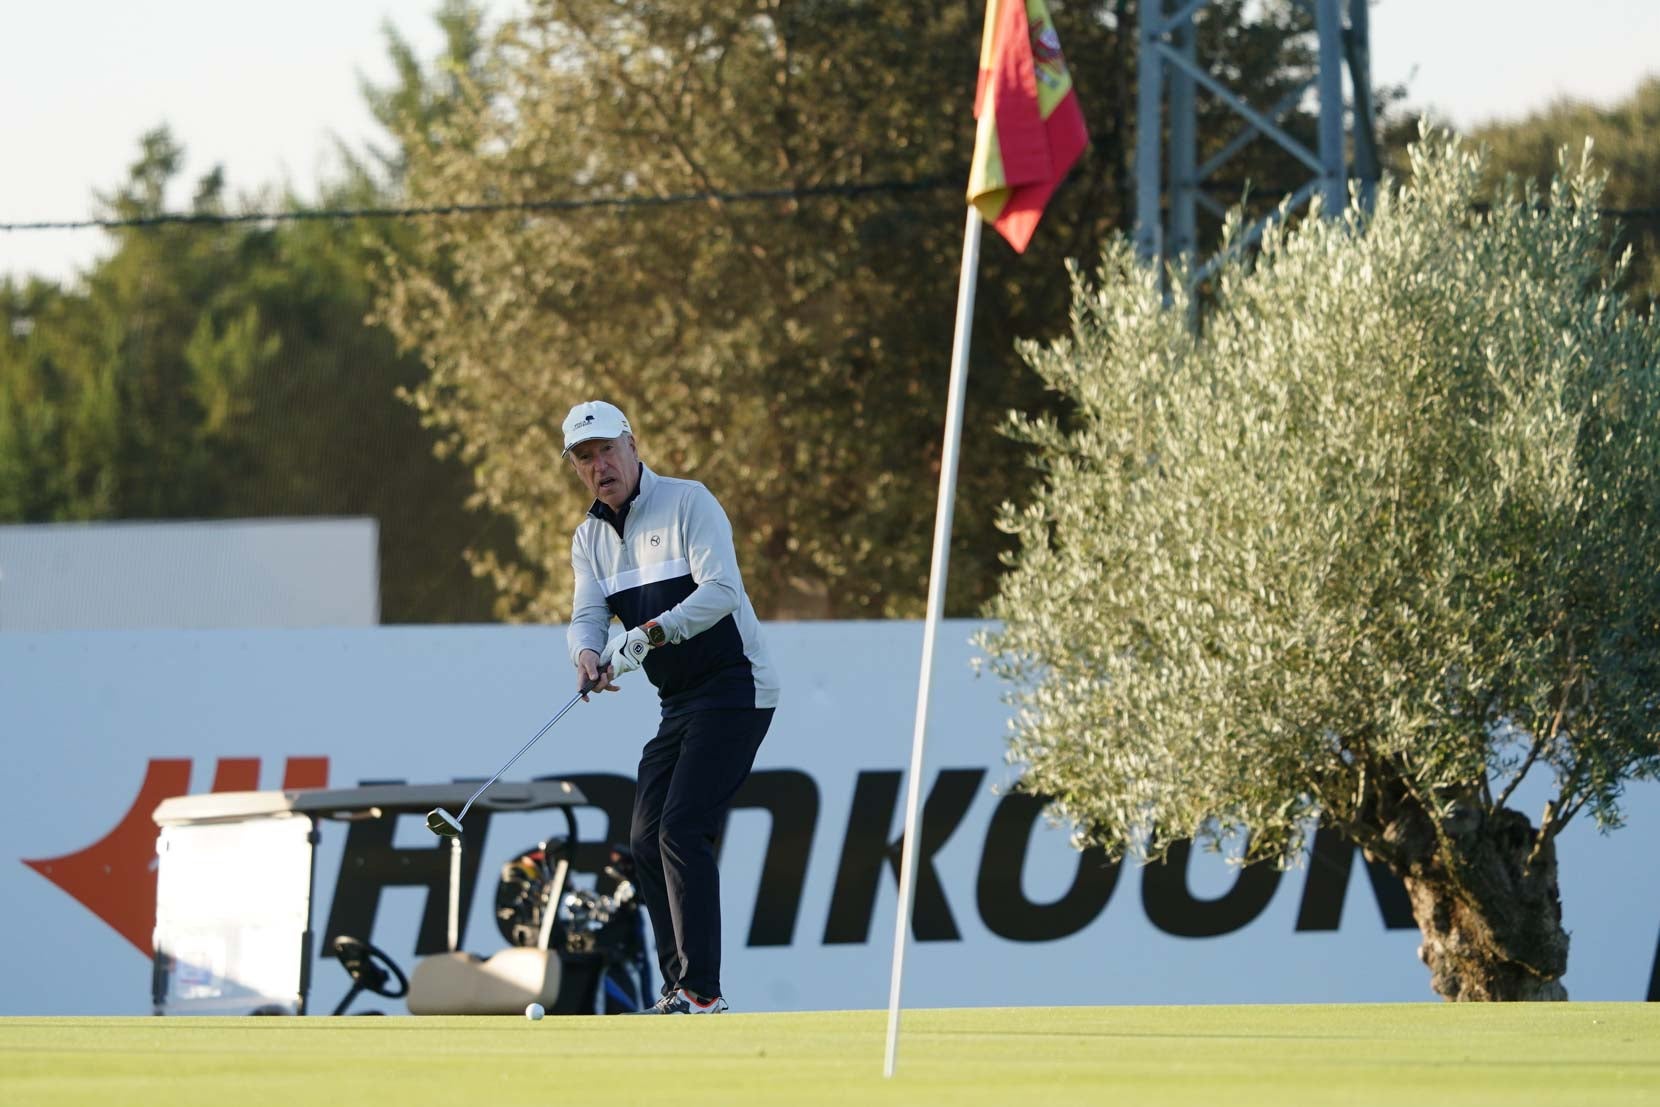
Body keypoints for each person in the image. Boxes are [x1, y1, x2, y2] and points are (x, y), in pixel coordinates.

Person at [561, 399, 780, 1015]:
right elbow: (587, 615)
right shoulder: (588, 539)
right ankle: (677, 988)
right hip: (679, 701)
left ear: (632, 446)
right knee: (644, 837)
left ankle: (701, 991)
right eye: (585, 457)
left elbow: (721, 591)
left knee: (681, 826)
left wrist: (647, 635)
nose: (599, 465)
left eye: (608, 449)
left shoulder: (688, 502)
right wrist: (585, 652)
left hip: (737, 685)